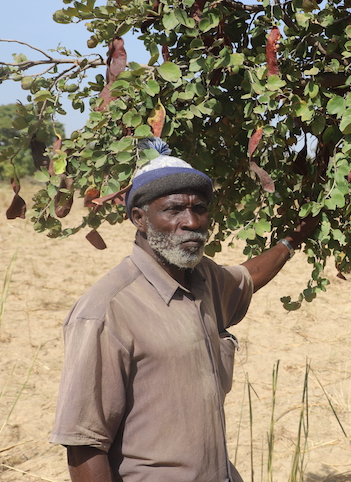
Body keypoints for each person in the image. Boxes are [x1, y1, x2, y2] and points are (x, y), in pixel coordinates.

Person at [49, 139, 317, 482]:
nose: (191, 221)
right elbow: (83, 444)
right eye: (174, 209)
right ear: (140, 219)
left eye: (200, 208)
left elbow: (248, 276)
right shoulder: (107, 311)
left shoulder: (203, 278)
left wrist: (292, 239)